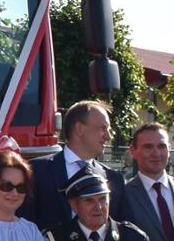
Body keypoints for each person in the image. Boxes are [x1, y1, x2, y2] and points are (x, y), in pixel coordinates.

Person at [27, 100, 129, 233]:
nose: (108, 136)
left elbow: (121, 232)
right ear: (79, 129)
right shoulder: (36, 171)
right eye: (102, 128)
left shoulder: (114, 179)